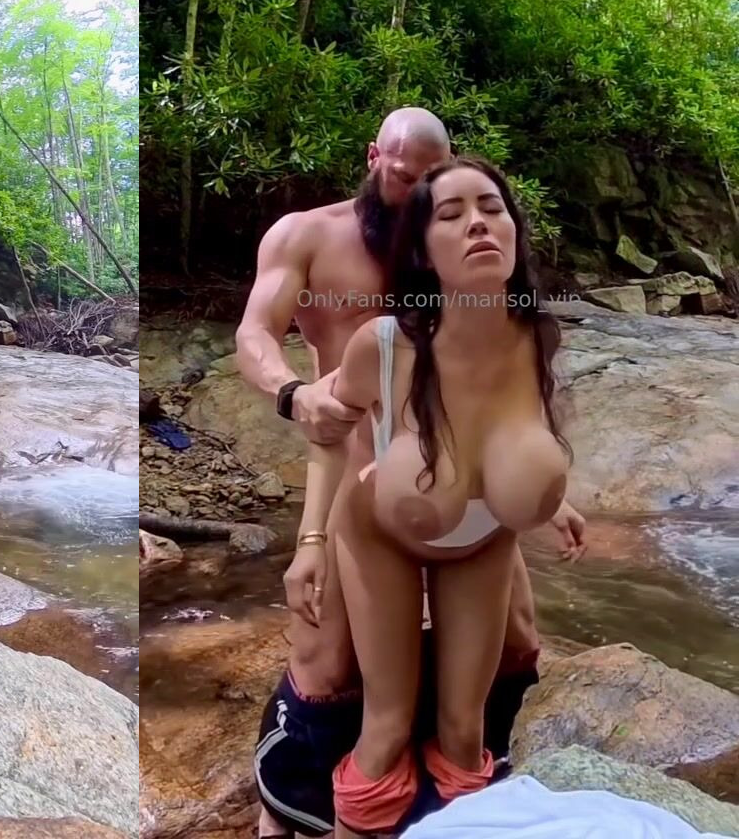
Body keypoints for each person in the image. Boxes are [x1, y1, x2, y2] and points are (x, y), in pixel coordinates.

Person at [236, 109, 586, 837]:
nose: (417, 193)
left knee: (517, 642)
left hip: (465, 483)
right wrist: (293, 394)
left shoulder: (491, 285)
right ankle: (290, 804)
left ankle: (453, 796)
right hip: (359, 472)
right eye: (405, 179)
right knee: (328, 661)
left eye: (437, 181)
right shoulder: (309, 237)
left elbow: (516, 404)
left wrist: (542, 493)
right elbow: (255, 332)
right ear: (375, 158)